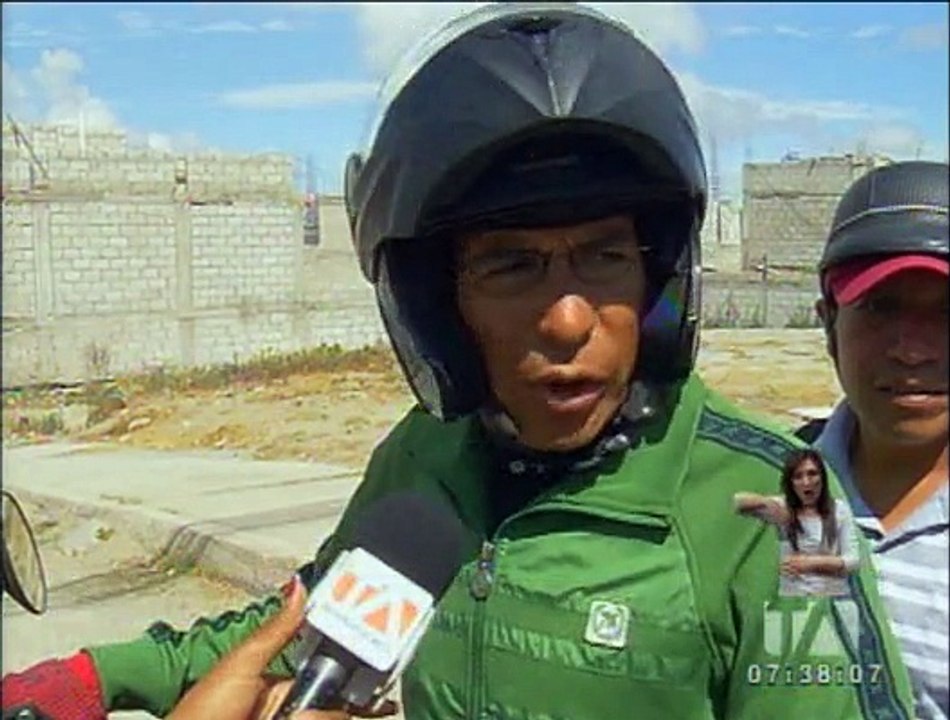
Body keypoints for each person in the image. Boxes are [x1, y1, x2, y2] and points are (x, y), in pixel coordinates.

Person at [1, 5, 916, 720]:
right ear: (442, 307)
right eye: (511, 265)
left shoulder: (783, 511)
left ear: (657, 279)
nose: (566, 320)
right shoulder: (428, 464)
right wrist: (93, 676)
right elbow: (302, 634)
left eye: (604, 256)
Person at [794, 160, 949, 720]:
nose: (912, 351)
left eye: (947, 312)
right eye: (880, 308)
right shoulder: (766, 490)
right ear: (828, 324)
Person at [735, 448, 860, 597]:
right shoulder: (784, 507)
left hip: (833, 598)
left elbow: (853, 561)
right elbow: (738, 502)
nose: (806, 482)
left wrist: (810, 563)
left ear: (823, 478)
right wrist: (767, 503)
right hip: (793, 601)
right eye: (798, 476)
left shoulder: (839, 510)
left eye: (812, 474)